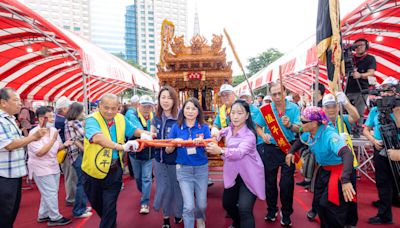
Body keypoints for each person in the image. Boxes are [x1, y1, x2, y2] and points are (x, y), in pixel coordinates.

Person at [286, 106, 356, 228]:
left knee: (330, 206)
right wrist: (291, 152)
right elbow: (300, 142)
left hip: (340, 171)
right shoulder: (310, 133)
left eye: (303, 121)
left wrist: (345, 180)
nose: (300, 124)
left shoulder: (329, 135)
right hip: (324, 170)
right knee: (319, 203)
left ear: (313, 123)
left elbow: (347, 154)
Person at [82, 93, 144, 228]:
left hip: (114, 171)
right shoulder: (92, 119)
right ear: (99, 106)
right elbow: (97, 138)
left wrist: (146, 135)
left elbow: (133, 130)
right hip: (92, 172)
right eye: (106, 107)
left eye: (113, 108)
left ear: (119, 108)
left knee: (109, 205)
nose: (110, 111)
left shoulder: (121, 119)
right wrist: (120, 147)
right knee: (98, 205)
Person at [206, 100, 265, 228]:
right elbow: (218, 132)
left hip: (249, 174)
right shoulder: (229, 129)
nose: (236, 116)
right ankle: (237, 223)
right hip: (233, 174)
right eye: (233, 113)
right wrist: (215, 132)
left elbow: (239, 152)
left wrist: (220, 150)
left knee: (245, 209)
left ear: (247, 115)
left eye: (240, 113)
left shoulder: (250, 135)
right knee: (227, 204)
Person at [306, 92, 360, 226]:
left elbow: (356, 116)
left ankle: (350, 222)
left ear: (338, 106)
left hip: (347, 165)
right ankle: (316, 210)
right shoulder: (321, 123)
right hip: (327, 166)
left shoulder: (343, 119)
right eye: (327, 107)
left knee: (349, 196)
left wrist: (346, 102)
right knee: (323, 198)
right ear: (322, 109)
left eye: (334, 106)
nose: (331, 109)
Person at [254, 82, 301, 226]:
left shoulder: (294, 108)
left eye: (279, 93)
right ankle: (272, 209)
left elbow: (299, 129)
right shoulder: (266, 109)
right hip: (271, 148)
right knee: (270, 182)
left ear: (285, 92)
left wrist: (289, 125)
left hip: (289, 149)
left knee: (286, 183)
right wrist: (263, 135)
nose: (277, 97)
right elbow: (257, 126)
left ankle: (286, 213)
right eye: (274, 94)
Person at [0, 88, 47, 228]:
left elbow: (16, 140)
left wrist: (31, 138)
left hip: (13, 174)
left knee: (10, 213)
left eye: (20, 101)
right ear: (3, 102)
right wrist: (32, 137)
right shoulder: (1, 120)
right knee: (5, 214)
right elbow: (8, 144)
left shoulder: (10, 119)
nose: (20, 104)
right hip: (4, 176)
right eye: (15, 100)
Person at [165, 98, 211, 228]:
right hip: (183, 169)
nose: (190, 111)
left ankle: (200, 217)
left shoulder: (204, 127)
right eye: (187, 108)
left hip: (201, 169)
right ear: (182, 110)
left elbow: (210, 148)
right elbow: (168, 150)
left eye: (194, 108)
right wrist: (175, 142)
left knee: (202, 204)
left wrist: (203, 143)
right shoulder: (176, 127)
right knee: (189, 205)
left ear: (198, 112)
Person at [28, 106, 73, 226]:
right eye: (51, 116)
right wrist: (53, 140)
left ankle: (43, 214)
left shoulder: (53, 130)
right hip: (40, 167)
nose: (53, 118)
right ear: (41, 118)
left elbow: (57, 147)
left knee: (49, 192)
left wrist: (65, 145)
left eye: (53, 116)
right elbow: (40, 152)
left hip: (53, 164)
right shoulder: (34, 133)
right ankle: (55, 217)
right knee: (50, 192)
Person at [363, 77, 400, 224]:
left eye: (389, 90)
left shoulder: (398, 108)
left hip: (397, 149)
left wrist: (396, 110)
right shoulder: (374, 110)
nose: (385, 94)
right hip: (380, 148)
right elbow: (366, 129)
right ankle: (384, 214)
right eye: (383, 91)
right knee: (382, 182)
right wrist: (373, 141)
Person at [151, 86, 183, 228]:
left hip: (175, 160)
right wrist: (150, 136)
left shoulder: (179, 117)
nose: (166, 101)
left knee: (176, 188)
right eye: (163, 97)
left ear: (174, 100)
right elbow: (152, 133)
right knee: (163, 188)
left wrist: (175, 144)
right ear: (159, 100)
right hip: (159, 159)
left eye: (169, 98)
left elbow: (183, 135)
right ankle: (165, 218)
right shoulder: (156, 116)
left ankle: (178, 213)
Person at [126, 95, 155, 214]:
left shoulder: (154, 117)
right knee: (138, 177)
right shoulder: (131, 115)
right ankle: (144, 192)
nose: (147, 108)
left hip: (149, 153)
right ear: (139, 105)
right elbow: (136, 131)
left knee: (147, 178)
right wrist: (151, 134)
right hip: (135, 153)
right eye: (144, 105)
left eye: (149, 106)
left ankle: (145, 202)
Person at [64, 102, 93, 219]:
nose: (84, 114)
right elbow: (86, 136)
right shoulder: (75, 123)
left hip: (73, 155)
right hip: (78, 155)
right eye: (82, 111)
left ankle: (82, 206)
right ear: (78, 112)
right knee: (82, 183)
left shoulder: (68, 122)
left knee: (81, 182)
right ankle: (78, 210)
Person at [345, 38, 377, 138]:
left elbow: (371, 72)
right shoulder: (350, 58)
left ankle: (357, 130)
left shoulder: (370, 58)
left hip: (361, 89)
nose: (359, 47)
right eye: (356, 45)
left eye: (362, 45)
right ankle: (346, 127)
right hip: (348, 88)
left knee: (359, 111)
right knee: (345, 108)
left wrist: (361, 75)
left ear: (366, 46)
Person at [55, 96, 77, 207]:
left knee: (70, 176)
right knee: (71, 176)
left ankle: (72, 197)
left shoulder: (57, 118)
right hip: (66, 151)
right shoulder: (63, 121)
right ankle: (71, 199)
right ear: (64, 109)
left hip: (63, 151)